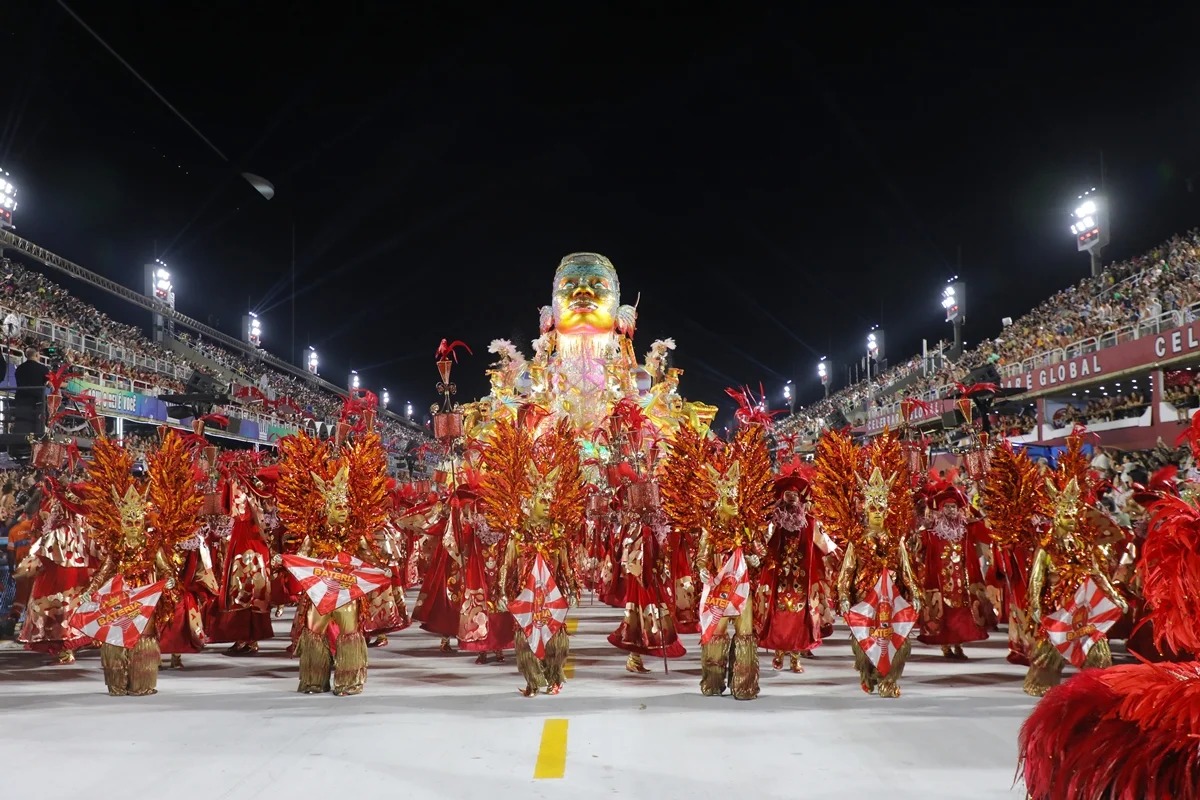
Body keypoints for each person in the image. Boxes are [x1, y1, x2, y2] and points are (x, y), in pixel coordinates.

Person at [13, 348, 49, 435]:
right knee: (38, 425)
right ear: (36, 355)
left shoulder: (19, 368)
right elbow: (48, 383)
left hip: (21, 401)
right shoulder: (43, 369)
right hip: (37, 402)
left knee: (21, 426)